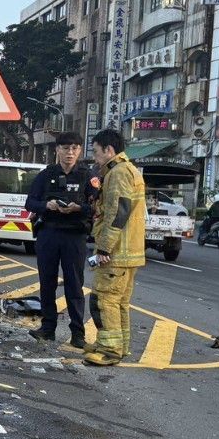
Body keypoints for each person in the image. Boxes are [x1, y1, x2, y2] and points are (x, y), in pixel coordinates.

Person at [24, 131, 94, 349]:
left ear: (80, 150)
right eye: (65, 148)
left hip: (75, 236)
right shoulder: (47, 175)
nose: (69, 153)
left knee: (74, 284)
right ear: (57, 150)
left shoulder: (87, 176)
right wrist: (48, 205)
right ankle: (48, 328)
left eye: (74, 148)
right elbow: (30, 203)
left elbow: (96, 207)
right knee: (47, 282)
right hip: (49, 234)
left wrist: (78, 208)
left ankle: (78, 333)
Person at [84, 128, 146, 367]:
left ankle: (109, 351)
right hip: (128, 252)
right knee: (118, 302)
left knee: (104, 300)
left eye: (96, 151)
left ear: (109, 150)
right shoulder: (129, 170)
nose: (95, 157)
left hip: (117, 252)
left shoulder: (118, 173)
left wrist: (104, 248)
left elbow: (118, 212)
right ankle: (118, 346)